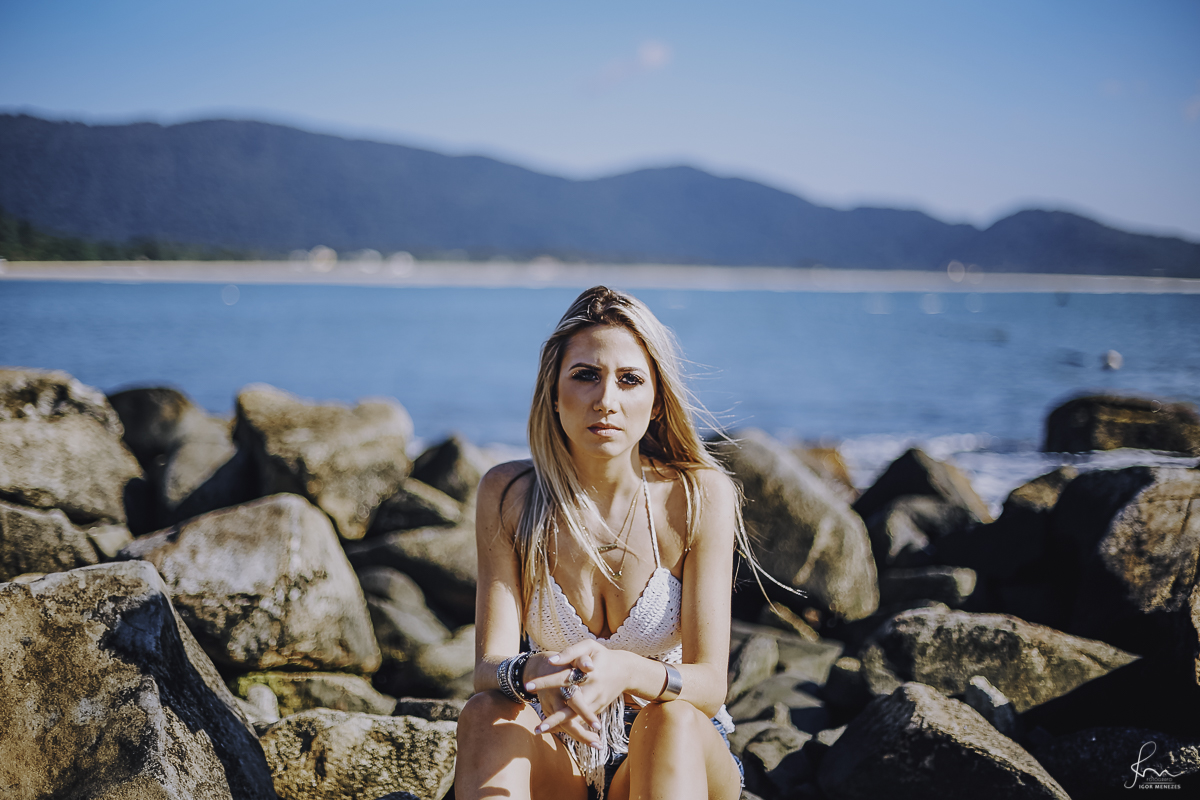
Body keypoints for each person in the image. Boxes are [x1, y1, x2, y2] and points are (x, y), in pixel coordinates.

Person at [455, 286, 755, 800]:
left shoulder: (697, 496)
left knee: (671, 723)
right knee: (486, 715)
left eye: (630, 379)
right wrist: (531, 670)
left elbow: (709, 686)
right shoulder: (509, 495)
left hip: (671, 755)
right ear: (553, 391)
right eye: (586, 375)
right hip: (560, 743)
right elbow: (488, 670)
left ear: (657, 400)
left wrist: (626, 671)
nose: (606, 400)